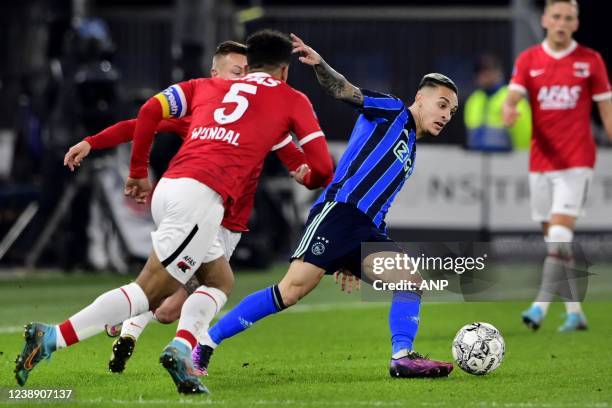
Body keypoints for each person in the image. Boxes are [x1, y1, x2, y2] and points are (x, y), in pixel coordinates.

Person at [15, 30, 334, 394]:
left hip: (179, 190)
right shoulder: (286, 99)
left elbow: (150, 110)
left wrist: (133, 167)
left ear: (250, 67)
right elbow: (320, 170)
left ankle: (181, 349)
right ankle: (53, 336)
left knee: (218, 282)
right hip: (201, 199)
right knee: (151, 294)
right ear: (284, 70)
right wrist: (310, 177)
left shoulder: (205, 90)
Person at [193, 34, 459, 380]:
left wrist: (356, 254)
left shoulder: (409, 147)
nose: (446, 115)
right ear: (419, 99)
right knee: (290, 292)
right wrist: (320, 66)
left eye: (451, 111)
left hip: (365, 227)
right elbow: (346, 91)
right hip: (337, 215)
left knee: (409, 279)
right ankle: (206, 342)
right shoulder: (393, 111)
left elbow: (378, 199)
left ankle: (402, 356)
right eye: (441, 105)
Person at [503, 0, 612, 332]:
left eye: (569, 18)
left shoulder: (590, 61)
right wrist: (510, 110)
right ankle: (575, 312)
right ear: (546, 20)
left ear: (576, 24)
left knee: (562, 233)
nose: (562, 22)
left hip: (577, 161)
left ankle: (539, 306)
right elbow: (513, 97)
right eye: (557, 16)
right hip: (541, 162)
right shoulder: (529, 59)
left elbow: (606, 111)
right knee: (556, 242)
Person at [464, 54, 531, 151]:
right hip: (477, 162)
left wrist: (521, 161)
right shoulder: (473, 100)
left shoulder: (513, 98)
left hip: (507, 162)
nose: (484, 75)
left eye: (488, 70)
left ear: (498, 72)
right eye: (479, 71)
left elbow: (524, 136)